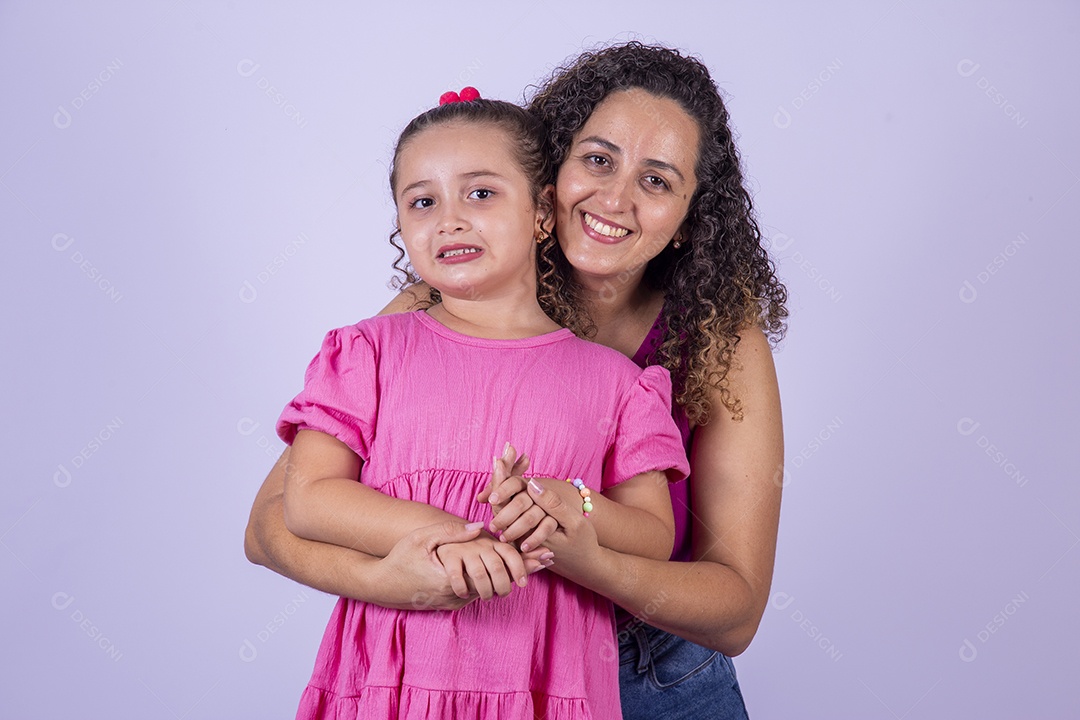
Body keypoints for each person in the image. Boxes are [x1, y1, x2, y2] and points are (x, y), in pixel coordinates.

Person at [246, 42, 786, 719]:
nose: (614, 197)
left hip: (659, 678)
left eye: (656, 180)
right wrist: (388, 579)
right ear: (550, 177)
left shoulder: (716, 339)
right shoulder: (428, 315)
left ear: (688, 219)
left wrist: (584, 550)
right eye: (597, 159)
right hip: (456, 661)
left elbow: (735, 612)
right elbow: (269, 525)